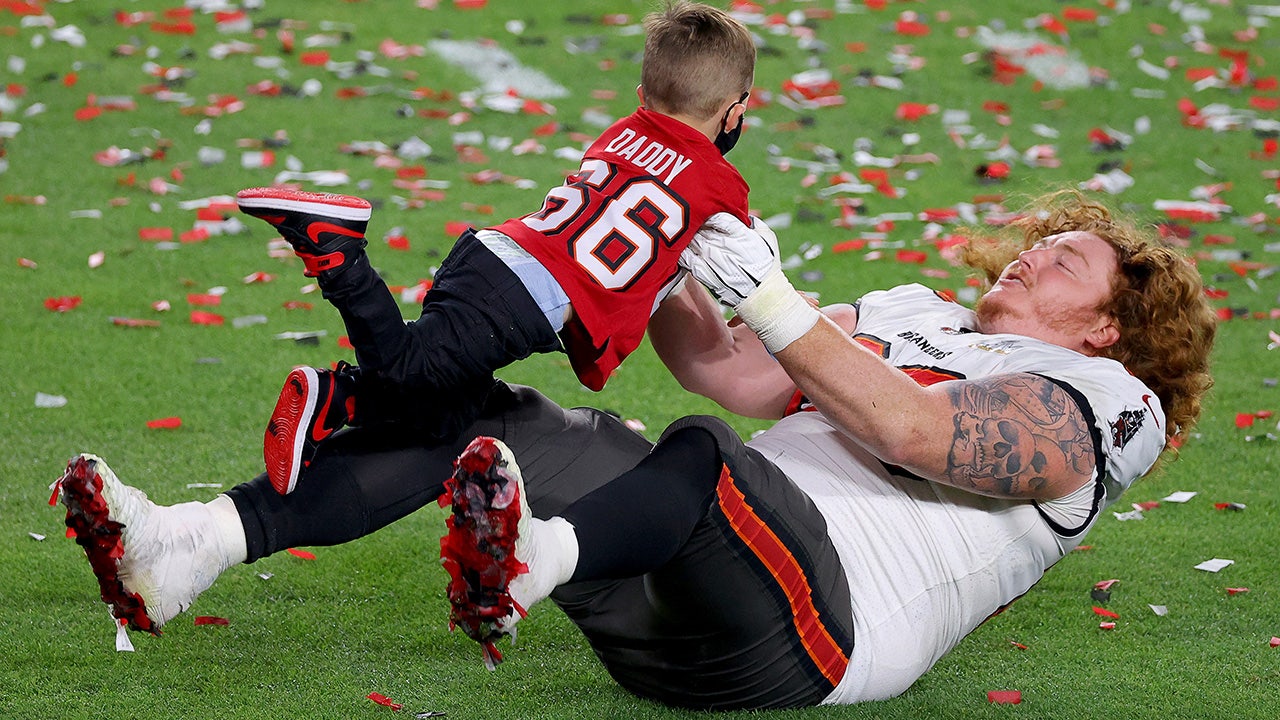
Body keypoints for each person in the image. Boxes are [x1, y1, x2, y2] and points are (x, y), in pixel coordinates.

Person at [59, 191, 1215, 708]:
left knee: (704, 458)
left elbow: (916, 433)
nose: (1027, 257)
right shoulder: (916, 307)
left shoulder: (1105, 397)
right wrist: (671, 253)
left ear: (1108, 322)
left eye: (1063, 261)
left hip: (820, 637)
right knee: (484, 411)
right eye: (1035, 243)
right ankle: (190, 546)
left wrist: (769, 298)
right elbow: (734, 371)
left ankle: (533, 559)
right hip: (678, 576)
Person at [235, 0, 756, 496]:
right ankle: (336, 251)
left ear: (643, 95)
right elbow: (737, 262)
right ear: (735, 111)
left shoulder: (620, 132)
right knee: (409, 371)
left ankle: (339, 399)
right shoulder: (720, 185)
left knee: (445, 415)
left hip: (500, 258)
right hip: (529, 295)